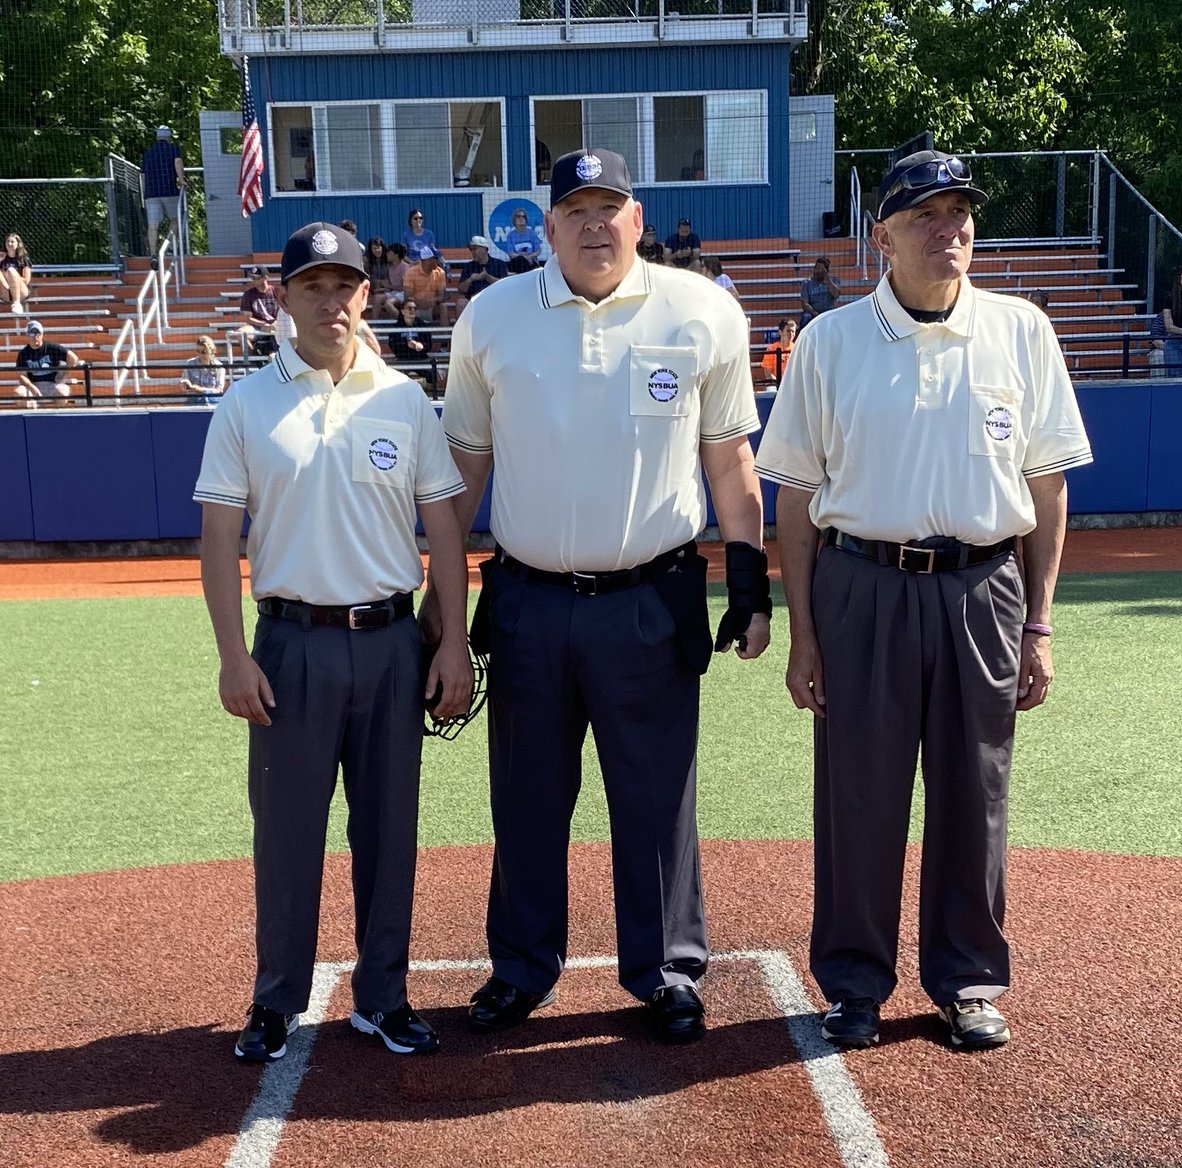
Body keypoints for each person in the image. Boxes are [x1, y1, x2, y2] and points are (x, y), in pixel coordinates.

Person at [755, 149, 1093, 1053]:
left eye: (959, 213)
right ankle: (855, 984)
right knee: (858, 797)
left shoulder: (1022, 330)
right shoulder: (830, 341)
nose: (950, 231)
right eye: (925, 216)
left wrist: (1041, 622)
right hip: (861, 584)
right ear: (883, 237)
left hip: (986, 587)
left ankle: (968, 980)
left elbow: (1047, 487)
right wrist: (804, 633)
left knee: (974, 795)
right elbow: (792, 495)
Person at [437, 148, 772, 1045]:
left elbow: (732, 460)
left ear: (639, 218)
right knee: (528, 798)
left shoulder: (702, 309)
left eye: (609, 207)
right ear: (544, 227)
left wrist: (750, 581)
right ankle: (521, 967)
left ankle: (666, 969)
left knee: (657, 796)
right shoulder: (492, 317)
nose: (593, 223)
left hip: (649, 599)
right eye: (575, 208)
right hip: (529, 602)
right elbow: (459, 478)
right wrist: (432, 603)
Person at [193, 221, 472, 1064]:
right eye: (311, 285)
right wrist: (232, 655)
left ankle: (383, 997)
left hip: (390, 641)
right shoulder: (247, 402)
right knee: (287, 834)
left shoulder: (404, 401)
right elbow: (216, 538)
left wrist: (451, 641)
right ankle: (276, 1000)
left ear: (365, 294)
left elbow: (445, 536)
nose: (330, 300)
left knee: (389, 833)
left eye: (343, 285)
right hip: (289, 647)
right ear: (284, 297)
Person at [142, 125, 186, 254]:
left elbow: (143, 175)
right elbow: (177, 162)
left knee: (153, 225)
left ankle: (153, 254)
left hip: (151, 193)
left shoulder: (148, 152)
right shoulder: (173, 149)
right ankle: (170, 246)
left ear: (157, 137)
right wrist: (181, 180)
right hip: (169, 190)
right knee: (176, 218)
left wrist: (146, 192)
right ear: (169, 137)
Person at [15, 319, 79, 402]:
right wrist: (32, 387)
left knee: (62, 394)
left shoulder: (52, 348)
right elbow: (22, 376)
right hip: (33, 384)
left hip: (53, 384)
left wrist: (63, 376)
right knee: (18, 393)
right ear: (27, 335)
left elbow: (73, 357)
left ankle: (56, 414)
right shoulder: (23, 353)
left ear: (42, 334)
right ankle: (33, 413)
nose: (35, 336)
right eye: (32, 333)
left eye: (37, 333)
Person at [238, 266, 279, 357]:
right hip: (257, 327)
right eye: (252, 277)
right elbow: (248, 318)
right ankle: (255, 356)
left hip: (277, 325)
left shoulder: (276, 291)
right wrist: (263, 324)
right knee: (241, 334)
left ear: (265, 278)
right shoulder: (248, 294)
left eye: (255, 278)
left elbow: (285, 312)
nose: (253, 280)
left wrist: (275, 324)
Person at [457, 235, 508, 305]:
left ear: (485, 249)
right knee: (461, 303)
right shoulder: (468, 266)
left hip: (494, 299)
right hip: (473, 300)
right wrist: (470, 280)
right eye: (470, 249)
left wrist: (487, 277)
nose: (472, 252)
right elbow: (461, 290)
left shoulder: (499, 264)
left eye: (475, 249)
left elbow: (505, 285)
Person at [403, 247, 447, 326]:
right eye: (436, 258)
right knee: (409, 307)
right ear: (428, 260)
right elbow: (407, 296)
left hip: (432, 306)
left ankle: (445, 334)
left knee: (443, 307)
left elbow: (441, 296)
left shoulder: (440, 273)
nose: (438, 261)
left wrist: (433, 301)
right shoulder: (411, 272)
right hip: (415, 307)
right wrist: (419, 303)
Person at [180, 334, 227, 405]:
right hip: (194, 400)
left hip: (213, 400)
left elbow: (219, 390)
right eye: (198, 351)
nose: (200, 355)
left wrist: (201, 390)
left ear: (211, 351)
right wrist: (185, 385)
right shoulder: (189, 364)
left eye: (203, 352)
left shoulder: (219, 367)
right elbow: (186, 387)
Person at [798, 255, 841, 326]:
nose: (816, 271)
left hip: (828, 312)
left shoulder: (834, 281)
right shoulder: (806, 283)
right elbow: (805, 304)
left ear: (826, 271)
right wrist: (815, 313)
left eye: (820, 269)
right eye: (815, 268)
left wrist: (828, 282)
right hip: (813, 313)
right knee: (805, 317)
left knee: (837, 317)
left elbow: (836, 294)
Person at [1, 232, 33, 315]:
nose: (9, 243)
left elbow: (26, 280)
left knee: (11, 271)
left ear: (18, 244)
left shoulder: (23, 258)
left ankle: (17, 303)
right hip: (6, 292)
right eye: (7, 241)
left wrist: (11, 277)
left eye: (12, 242)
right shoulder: (2, 257)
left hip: (21, 291)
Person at [759, 318, 797, 386]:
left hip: (793, 385)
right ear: (780, 332)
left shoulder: (797, 348)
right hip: (775, 385)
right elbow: (768, 373)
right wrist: (779, 385)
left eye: (793, 331)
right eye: (788, 331)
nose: (791, 334)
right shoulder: (771, 349)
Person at [379, 243, 411, 321]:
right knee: (377, 298)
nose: (387, 254)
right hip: (394, 292)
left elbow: (405, 288)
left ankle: (403, 321)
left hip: (403, 293)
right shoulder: (390, 267)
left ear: (396, 255)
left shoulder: (404, 267)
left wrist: (389, 286)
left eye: (389, 253)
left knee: (388, 303)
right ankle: (375, 323)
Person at [364, 236, 390, 317]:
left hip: (387, 288)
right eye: (374, 248)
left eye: (379, 248)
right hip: (372, 288)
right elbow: (366, 276)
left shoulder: (388, 259)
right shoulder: (366, 260)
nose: (377, 250)